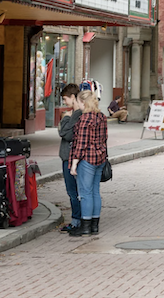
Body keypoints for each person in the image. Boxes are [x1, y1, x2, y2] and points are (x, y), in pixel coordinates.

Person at [69, 90, 108, 236]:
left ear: (83, 103)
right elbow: (104, 138)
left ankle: (85, 226)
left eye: (78, 102)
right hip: (100, 158)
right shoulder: (101, 116)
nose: (77, 105)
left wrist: (74, 164)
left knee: (85, 193)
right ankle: (94, 225)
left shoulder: (85, 118)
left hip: (87, 159)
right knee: (95, 192)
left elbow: (81, 143)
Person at [58, 84, 83, 232]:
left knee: (73, 191)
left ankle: (77, 221)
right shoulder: (76, 113)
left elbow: (65, 134)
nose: (65, 102)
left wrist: (65, 119)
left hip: (70, 157)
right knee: (75, 191)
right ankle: (79, 220)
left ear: (73, 97)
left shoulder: (76, 114)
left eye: (65, 99)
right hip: (69, 156)